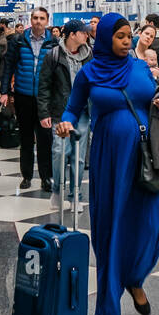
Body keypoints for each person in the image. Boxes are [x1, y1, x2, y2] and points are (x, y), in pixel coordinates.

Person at [56, 14, 159, 315]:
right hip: (108, 156)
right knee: (110, 224)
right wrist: (66, 122)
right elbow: (73, 107)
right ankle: (110, 307)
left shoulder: (139, 68)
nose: (126, 41)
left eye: (128, 36)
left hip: (144, 154)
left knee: (152, 221)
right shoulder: (89, 73)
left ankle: (135, 278)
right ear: (107, 38)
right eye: (120, 36)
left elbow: (152, 99)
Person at [37, 19, 92, 216]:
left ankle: (75, 195)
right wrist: (44, 112)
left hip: (83, 112)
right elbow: (43, 85)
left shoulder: (89, 56)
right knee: (60, 151)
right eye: (83, 32)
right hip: (60, 110)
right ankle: (57, 190)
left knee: (77, 157)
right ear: (71, 34)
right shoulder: (53, 55)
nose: (86, 35)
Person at [0, 6, 55, 191]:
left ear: (47, 21)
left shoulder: (53, 42)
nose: (38, 21)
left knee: (45, 139)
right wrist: (5, 91)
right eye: (35, 18)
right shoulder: (18, 40)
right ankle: (27, 176)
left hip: (44, 98)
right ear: (30, 20)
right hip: (23, 96)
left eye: (41, 18)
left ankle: (46, 177)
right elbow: (9, 67)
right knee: (25, 138)